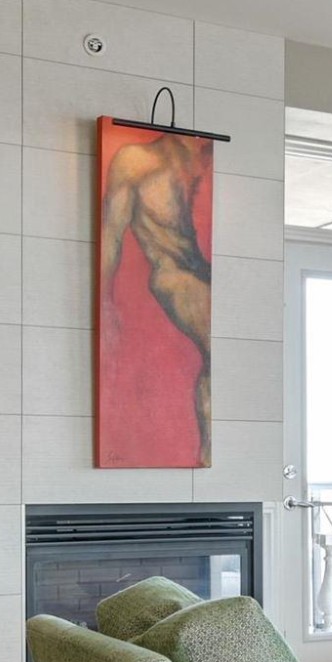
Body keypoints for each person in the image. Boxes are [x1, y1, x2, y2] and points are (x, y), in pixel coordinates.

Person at [98, 126, 212, 447]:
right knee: (218, 353)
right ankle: (207, 456)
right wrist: (103, 305)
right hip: (172, 272)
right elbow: (110, 237)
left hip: (206, 272)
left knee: (222, 361)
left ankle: (208, 459)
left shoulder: (208, 159)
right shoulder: (138, 161)